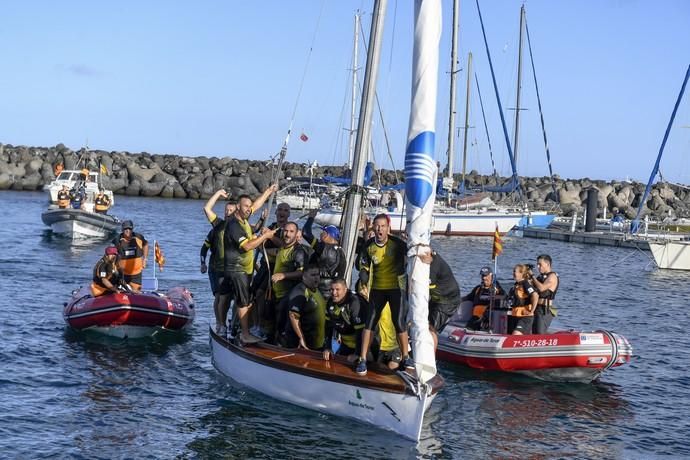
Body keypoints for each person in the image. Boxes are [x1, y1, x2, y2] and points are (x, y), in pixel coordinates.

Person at [354, 213, 411, 376]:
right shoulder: (369, 245)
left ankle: (406, 357)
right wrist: (364, 274)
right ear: (373, 227)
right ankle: (362, 359)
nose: (379, 229)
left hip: (396, 289)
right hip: (378, 289)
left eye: (383, 226)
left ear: (388, 228)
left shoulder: (397, 244)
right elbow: (363, 263)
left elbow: (413, 252)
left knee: (399, 321)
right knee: (370, 322)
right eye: (377, 226)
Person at [222, 184, 279, 344]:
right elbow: (247, 246)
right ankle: (245, 334)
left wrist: (268, 191)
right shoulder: (234, 225)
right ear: (237, 208)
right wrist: (265, 236)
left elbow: (256, 205)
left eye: (249, 206)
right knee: (243, 302)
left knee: (247, 300)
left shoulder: (245, 218)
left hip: (245, 270)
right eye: (245, 206)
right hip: (237, 270)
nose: (249, 209)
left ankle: (245, 330)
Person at [267, 221, 310, 342]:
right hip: (276, 294)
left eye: (291, 232)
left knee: (283, 327)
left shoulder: (298, 251)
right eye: (286, 231)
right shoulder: (282, 247)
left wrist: (283, 275)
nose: (287, 234)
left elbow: (302, 273)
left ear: (297, 235)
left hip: (288, 296)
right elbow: (276, 246)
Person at [203, 189, 238, 334]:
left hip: (233, 268)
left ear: (236, 212)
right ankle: (220, 324)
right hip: (217, 268)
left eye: (231, 210)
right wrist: (218, 193)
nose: (227, 212)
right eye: (226, 210)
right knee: (219, 296)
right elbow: (206, 208)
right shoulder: (218, 224)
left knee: (233, 298)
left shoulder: (239, 226)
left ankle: (233, 322)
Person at [418, 250, 461, 351]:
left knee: (431, 328)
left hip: (447, 301)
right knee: (421, 322)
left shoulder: (433, 266)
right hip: (436, 299)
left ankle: (431, 359)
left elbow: (426, 288)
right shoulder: (426, 260)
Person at [303, 209, 346, 299]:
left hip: (320, 291)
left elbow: (306, 233)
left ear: (326, 235)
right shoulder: (341, 252)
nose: (320, 235)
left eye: (322, 233)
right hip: (334, 293)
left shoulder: (324, 248)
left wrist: (311, 217)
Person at [322, 278, 367, 361]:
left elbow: (361, 331)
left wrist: (357, 354)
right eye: (332, 289)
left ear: (345, 289)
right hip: (346, 344)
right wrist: (327, 347)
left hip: (365, 346)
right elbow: (328, 327)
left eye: (337, 289)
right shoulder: (330, 302)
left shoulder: (354, 303)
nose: (334, 293)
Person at [283, 264, 327, 350]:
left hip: (318, 343)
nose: (316, 278)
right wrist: (301, 338)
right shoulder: (299, 292)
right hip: (304, 345)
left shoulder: (316, 289)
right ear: (304, 277)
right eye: (313, 275)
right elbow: (293, 316)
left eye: (318, 274)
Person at [112, 220, 148, 292]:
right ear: (122, 230)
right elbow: (111, 253)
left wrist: (145, 259)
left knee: (136, 292)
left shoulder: (138, 237)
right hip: (122, 273)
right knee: (120, 292)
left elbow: (146, 245)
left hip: (136, 273)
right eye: (125, 229)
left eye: (129, 229)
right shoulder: (117, 240)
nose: (128, 231)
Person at [506, 264, 538, 335]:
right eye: (513, 271)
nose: (513, 273)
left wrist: (532, 310)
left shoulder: (525, 283)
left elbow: (535, 295)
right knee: (509, 335)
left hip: (524, 317)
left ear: (521, 273)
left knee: (516, 334)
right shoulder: (516, 285)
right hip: (514, 315)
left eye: (515, 272)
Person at [531, 254, 559, 334]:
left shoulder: (552, 276)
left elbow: (542, 288)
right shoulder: (540, 277)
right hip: (536, 307)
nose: (538, 267)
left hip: (544, 310)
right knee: (534, 332)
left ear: (548, 264)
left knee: (539, 333)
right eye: (537, 264)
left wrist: (532, 277)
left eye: (540, 265)